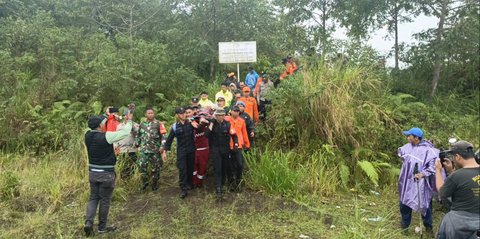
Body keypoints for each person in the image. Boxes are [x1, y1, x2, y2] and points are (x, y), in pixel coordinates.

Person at [83, 111, 133, 236]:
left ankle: (89, 223)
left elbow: (97, 125)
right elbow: (126, 132)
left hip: (93, 172)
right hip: (106, 173)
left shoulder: (87, 135)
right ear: (100, 125)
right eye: (102, 123)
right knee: (105, 200)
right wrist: (130, 120)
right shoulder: (107, 136)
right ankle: (102, 227)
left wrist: (107, 115)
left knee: (93, 198)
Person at [397, 127, 438, 236]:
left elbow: (433, 166)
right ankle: (404, 227)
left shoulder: (428, 151)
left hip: (421, 184)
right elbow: (402, 155)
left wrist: (422, 174)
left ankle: (428, 228)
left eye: (409, 135)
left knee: (425, 205)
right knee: (404, 203)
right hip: (406, 182)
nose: (407, 137)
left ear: (416, 138)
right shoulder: (407, 147)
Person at [435, 141, 480, 239]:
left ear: (458, 157)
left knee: (447, 221)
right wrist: (451, 171)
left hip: (460, 224)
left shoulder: (457, 176)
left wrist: (438, 171)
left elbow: (442, 192)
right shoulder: (456, 175)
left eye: (454, 158)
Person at [161, 107, 196, 199]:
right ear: (177, 115)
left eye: (184, 113)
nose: (183, 114)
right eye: (181, 113)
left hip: (191, 150)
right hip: (181, 151)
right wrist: (164, 151)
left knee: (190, 168)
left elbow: (200, 129)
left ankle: (189, 183)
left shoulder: (191, 123)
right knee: (182, 170)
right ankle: (183, 189)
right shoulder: (175, 126)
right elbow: (169, 140)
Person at [207, 109, 238, 199]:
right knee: (217, 169)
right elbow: (207, 135)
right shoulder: (212, 124)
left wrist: (236, 144)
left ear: (224, 115)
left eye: (222, 115)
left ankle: (223, 184)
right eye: (218, 115)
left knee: (225, 168)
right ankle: (218, 188)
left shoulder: (227, 124)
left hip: (225, 150)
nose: (220, 117)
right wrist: (211, 124)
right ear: (215, 116)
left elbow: (234, 135)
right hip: (216, 150)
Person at [135, 107, 167, 191]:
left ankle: (154, 184)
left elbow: (164, 136)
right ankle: (145, 183)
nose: (150, 114)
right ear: (145, 114)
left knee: (156, 168)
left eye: (152, 113)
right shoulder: (142, 124)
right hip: (144, 150)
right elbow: (138, 135)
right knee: (142, 166)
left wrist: (162, 147)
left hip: (155, 151)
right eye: (148, 113)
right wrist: (137, 145)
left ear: (154, 114)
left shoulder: (159, 124)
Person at [226, 105, 250, 192]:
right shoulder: (226, 119)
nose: (236, 112)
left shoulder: (242, 121)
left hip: (238, 146)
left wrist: (247, 144)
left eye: (237, 111)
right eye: (234, 110)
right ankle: (231, 183)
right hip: (228, 145)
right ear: (231, 111)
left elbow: (244, 133)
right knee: (229, 166)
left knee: (239, 165)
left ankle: (238, 182)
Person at [114, 110, 139, 179]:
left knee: (132, 167)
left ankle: (131, 182)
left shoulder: (135, 125)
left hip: (132, 149)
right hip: (121, 150)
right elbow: (116, 137)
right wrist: (115, 147)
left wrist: (131, 124)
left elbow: (139, 134)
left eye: (130, 115)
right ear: (124, 116)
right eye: (126, 115)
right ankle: (123, 182)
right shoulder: (119, 126)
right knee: (122, 168)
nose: (128, 117)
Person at [192, 111, 211, 188]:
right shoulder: (193, 125)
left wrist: (207, 122)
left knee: (202, 167)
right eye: (201, 118)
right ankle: (193, 182)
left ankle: (199, 183)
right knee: (194, 168)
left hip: (204, 150)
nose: (202, 119)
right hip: (194, 150)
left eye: (204, 118)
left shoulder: (208, 126)